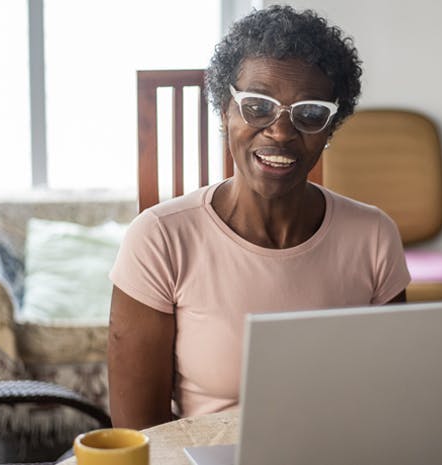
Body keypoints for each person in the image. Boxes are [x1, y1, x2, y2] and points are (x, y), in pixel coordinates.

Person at [107, 5, 411, 429]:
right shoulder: (160, 240)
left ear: (329, 127)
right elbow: (139, 437)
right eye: (257, 106)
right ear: (223, 111)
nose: (281, 132)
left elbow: (392, 401)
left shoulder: (374, 237)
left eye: (308, 114)